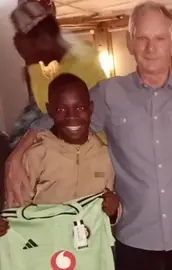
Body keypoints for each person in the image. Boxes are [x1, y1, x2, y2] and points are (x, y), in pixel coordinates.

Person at [4, 2, 172, 270]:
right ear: (130, 42)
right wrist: (16, 155)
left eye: (159, 38)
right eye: (142, 38)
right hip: (133, 239)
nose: (151, 48)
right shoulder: (109, 94)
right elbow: (60, 115)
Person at [0, 73, 120, 270]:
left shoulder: (105, 155)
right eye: (61, 109)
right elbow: (15, 210)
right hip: (46, 255)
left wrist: (114, 211)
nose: (72, 117)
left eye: (80, 108)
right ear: (49, 111)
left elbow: (108, 208)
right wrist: (6, 224)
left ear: (91, 108)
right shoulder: (35, 155)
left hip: (89, 255)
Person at [9, 0, 107, 147]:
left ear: (45, 40)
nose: (38, 60)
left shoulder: (79, 68)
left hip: (93, 151)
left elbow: (47, 109)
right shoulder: (76, 53)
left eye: (31, 48)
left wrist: (30, 61)